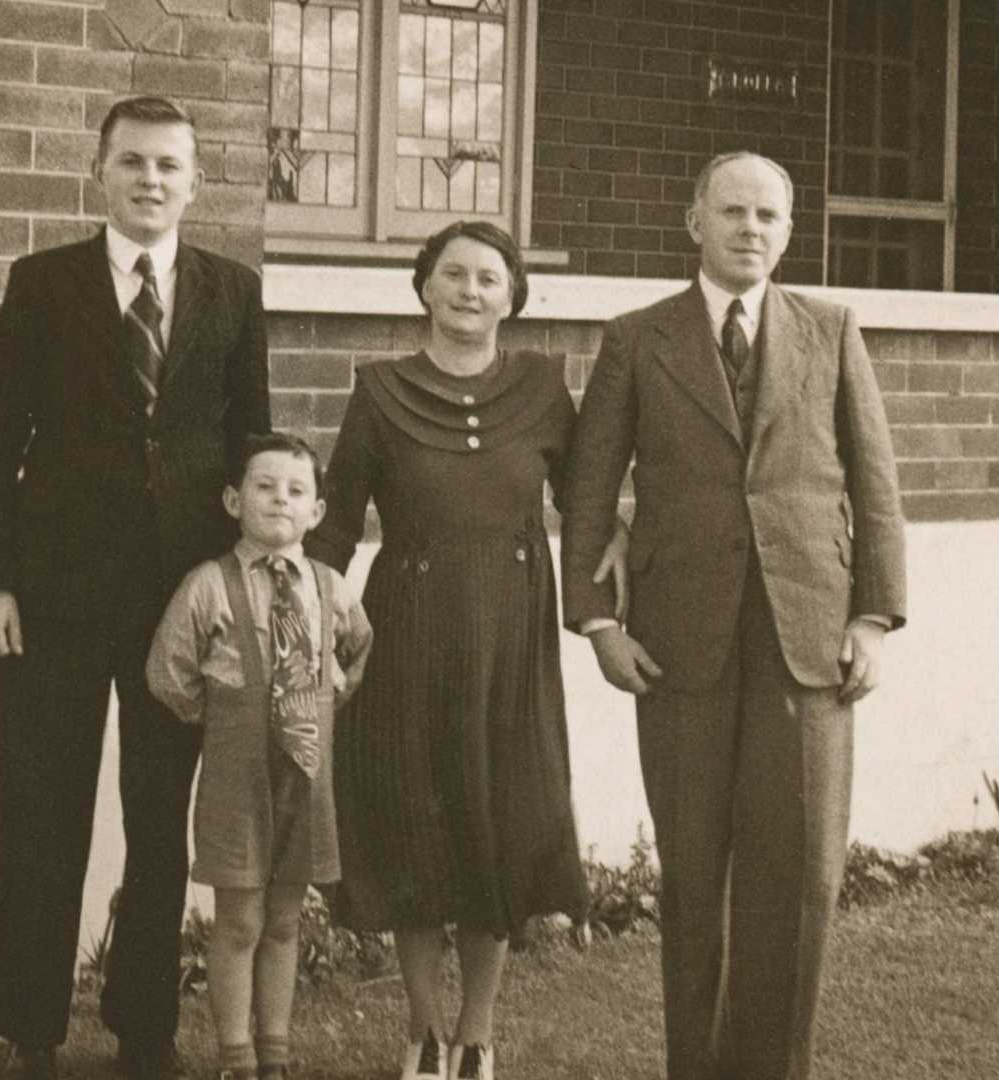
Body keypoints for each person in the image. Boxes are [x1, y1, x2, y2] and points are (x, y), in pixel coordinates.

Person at [559, 151, 908, 1080]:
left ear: (788, 232)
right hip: (675, 645)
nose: (751, 229)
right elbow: (591, 490)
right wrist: (598, 624)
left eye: (769, 216)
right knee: (695, 876)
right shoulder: (638, 339)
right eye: (732, 212)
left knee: (798, 881)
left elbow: (875, 486)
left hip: (810, 641)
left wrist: (874, 617)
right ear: (694, 221)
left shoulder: (832, 331)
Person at [0, 95, 272, 1080]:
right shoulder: (44, 284)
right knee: (44, 804)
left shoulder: (232, 292)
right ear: (100, 172)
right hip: (52, 595)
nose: (150, 181)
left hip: (180, 602)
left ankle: (145, 1026)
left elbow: (250, 448)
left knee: (157, 813)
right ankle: (31, 1028)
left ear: (194, 181)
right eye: (132, 162)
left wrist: (245, 589)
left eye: (169, 166)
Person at [308, 221, 626, 1080]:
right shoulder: (379, 391)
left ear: (513, 296)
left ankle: (479, 1033)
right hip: (407, 629)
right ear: (424, 287)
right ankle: (422, 1030)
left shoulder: (541, 385)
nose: (470, 291)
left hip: (512, 632)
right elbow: (336, 519)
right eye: (453, 275)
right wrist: (315, 593)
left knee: (497, 821)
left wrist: (621, 548)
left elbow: (584, 497)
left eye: (489, 278)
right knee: (415, 824)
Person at [146, 433, 373, 1080]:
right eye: (264, 487)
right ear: (232, 499)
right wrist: (225, 716)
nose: (280, 500)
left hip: (306, 772)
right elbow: (168, 672)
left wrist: (327, 694)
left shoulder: (330, 589)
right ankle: (235, 1057)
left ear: (317, 514)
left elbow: (358, 646)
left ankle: (274, 1052)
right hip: (235, 772)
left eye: (296, 491)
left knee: (284, 916)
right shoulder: (207, 587)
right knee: (240, 918)